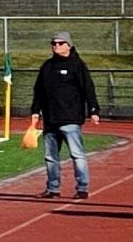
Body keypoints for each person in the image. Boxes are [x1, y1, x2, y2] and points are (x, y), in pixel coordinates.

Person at [27, 31, 102, 199]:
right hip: (50, 118)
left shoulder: (77, 65)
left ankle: (82, 187)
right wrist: (35, 111)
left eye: (60, 43)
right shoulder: (47, 66)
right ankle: (53, 188)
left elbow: (88, 88)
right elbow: (39, 91)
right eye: (53, 43)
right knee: (50, 157)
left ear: (68, 45)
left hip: (70, 118)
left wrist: (94, 110)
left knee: (77, 154)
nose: (56, 46)